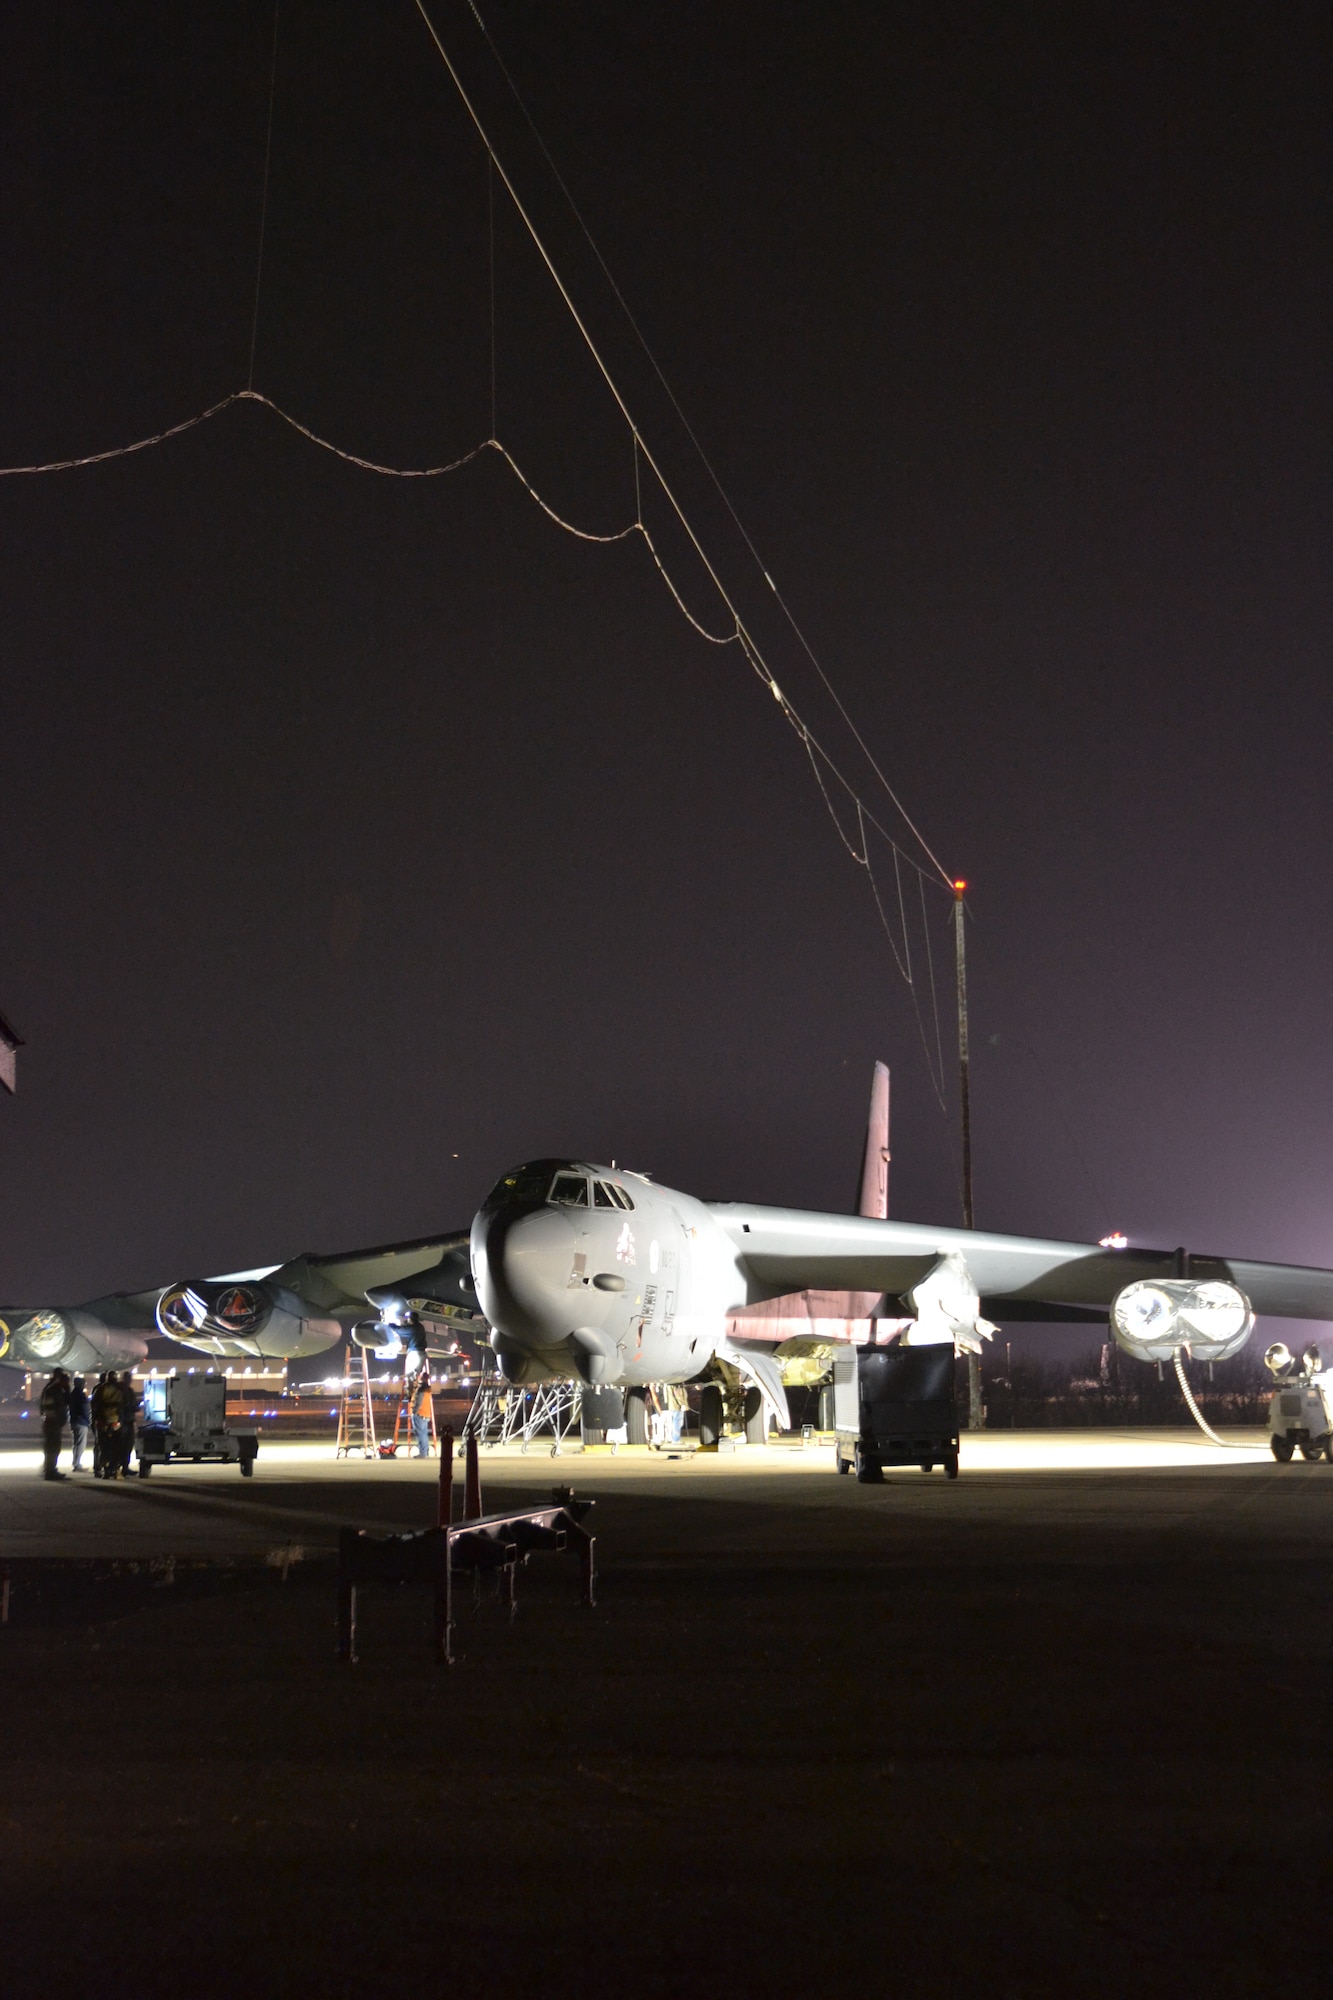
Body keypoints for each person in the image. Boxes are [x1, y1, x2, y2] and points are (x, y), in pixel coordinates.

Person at [38, 1368, 71, 1480]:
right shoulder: (51, 1390)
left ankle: (51, 1468)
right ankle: (50, 1470)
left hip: (55, 1423)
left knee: (54, 1447)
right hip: (52, 1423)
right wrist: (53, 1420)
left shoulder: (58, 1390)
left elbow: (67, 1402)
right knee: (52, 1447)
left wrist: (67, 1390)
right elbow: (48, 1408)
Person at [91, 1369, 121, 1479]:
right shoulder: (119, 1389)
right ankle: (114, 1469)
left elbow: (94, 1407)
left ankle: (106, 1469)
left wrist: (96, 1421)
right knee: (115, 1447)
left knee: (104, 1447)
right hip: (115, 1422)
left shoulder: (100, 1389)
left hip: (103, 1423)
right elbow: (123, 1406)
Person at [115, 1370, 139, 1478]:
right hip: (122, 1421)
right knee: (121, 1445)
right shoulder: (120, 1390)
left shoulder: (128, 1390)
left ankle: (124, 1466)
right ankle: (118, 1466)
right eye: (129, 1378)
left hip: (128, 1421)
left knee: (128, 1446)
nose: (130, 1380)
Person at [409, 1365, 434, 1458]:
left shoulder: (420, 1390)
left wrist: (414, 1412)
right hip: (426, 1414)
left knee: (420, 1434)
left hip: (419, 1414)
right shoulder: (428, 1389)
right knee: (424, 1434)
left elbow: (418, 1402)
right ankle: (425, 1452)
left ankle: (423, 1453)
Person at [68, 1374, 91, 1472]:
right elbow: (85, 1409)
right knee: (81, 1444)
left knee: (76, 1443)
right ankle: (77, 1464)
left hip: (74, 1421)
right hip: (81, 1422)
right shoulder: (80, 1395)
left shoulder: (72, 1394)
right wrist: (89, 1420)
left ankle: (75, 1462)